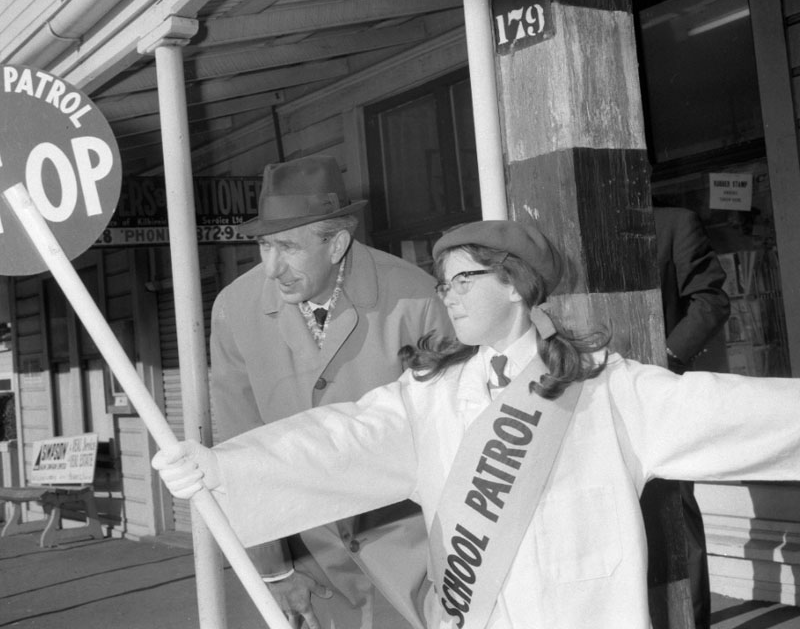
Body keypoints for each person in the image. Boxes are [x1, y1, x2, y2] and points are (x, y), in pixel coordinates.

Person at [155, 218, 800, 629]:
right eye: (443, 283)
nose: (448, 295)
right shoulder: (430, 396)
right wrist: (221, 468)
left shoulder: (607, 389)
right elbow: (337, 438)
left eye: (464, 279)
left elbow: (732, 410)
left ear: (515, 286)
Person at [209, 155, 452, 629]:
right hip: (310, 566)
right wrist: (272, 569)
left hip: (419, 558)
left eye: (288, 247)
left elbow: (458, 435)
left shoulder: (419, 298)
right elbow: (238, 444)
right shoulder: (233, 308)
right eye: (263, 246)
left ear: (338, 243)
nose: (272, 267)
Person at [641, 206, 731, 629]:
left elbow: (711, 300)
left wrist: (668, 357)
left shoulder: (674, 223)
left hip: (660, 393)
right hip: (587, 394)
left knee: (674, 515)